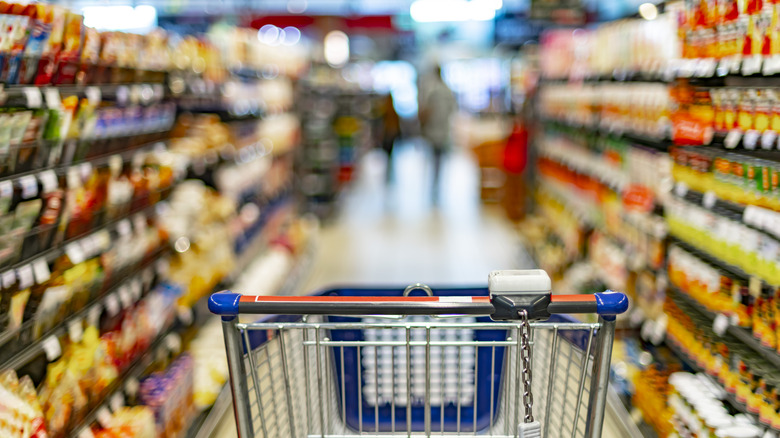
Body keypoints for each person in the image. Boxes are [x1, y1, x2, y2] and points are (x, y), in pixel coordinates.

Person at [418, 64, 456, 202]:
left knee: (434, 157)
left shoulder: (432, 90)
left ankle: (434, 182)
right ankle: (437, 182)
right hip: (443, 130)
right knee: (439, 159)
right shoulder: (447, 90)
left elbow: (426, 110)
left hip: (434, 130)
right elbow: (452, 109)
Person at [380, 93, 400, 184]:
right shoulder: (388, 110)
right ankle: (389, 171)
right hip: (390, 134)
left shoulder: (388, 110)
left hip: (389, 134)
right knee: (389, 154)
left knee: (389, 153)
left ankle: (388, 172)